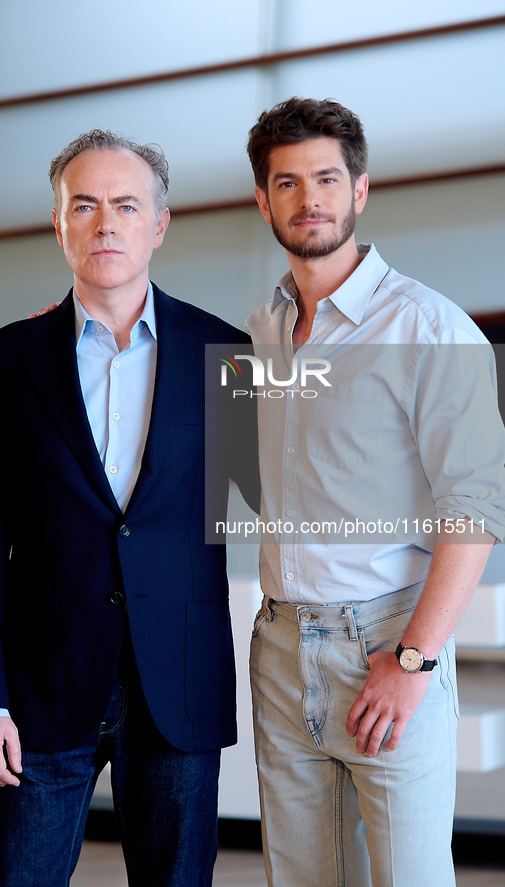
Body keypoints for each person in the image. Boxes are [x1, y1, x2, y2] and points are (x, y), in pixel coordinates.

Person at [0, 129, 259, 887]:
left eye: (125, 204)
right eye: (82, 205)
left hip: (177, 686)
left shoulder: (229, 350)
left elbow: (268, 496)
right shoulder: (7, 359)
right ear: (59, 223)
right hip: (37, 691)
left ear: (157, 224)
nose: (104, 223)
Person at [244, 97, 505, 886]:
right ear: (263, 200)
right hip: (280, 650)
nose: (308, 199)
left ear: (359, 191)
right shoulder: (258, 330)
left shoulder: (429, 326)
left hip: (386, 642)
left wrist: (414, 658)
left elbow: (478, 509)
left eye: (326, 178)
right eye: (286, 183)